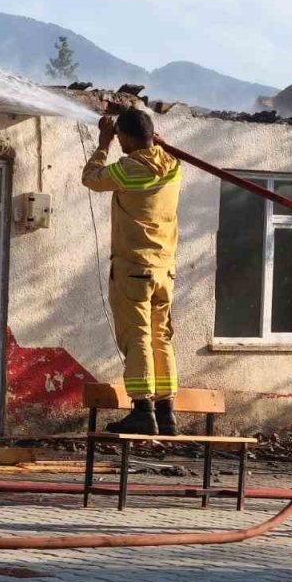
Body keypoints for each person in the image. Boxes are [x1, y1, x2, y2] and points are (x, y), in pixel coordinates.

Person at [81, 109, 182, 435]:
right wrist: (156, 143)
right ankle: (166, 412)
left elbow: (91, 178)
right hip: (165, 269)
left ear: (124, 136)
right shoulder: (174, 166)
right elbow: (160, 150)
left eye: (120, 136)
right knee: (160, 338)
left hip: (134, 268)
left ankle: (142, 410)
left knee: (136, 338)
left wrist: (103, 143)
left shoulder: (130, 169)